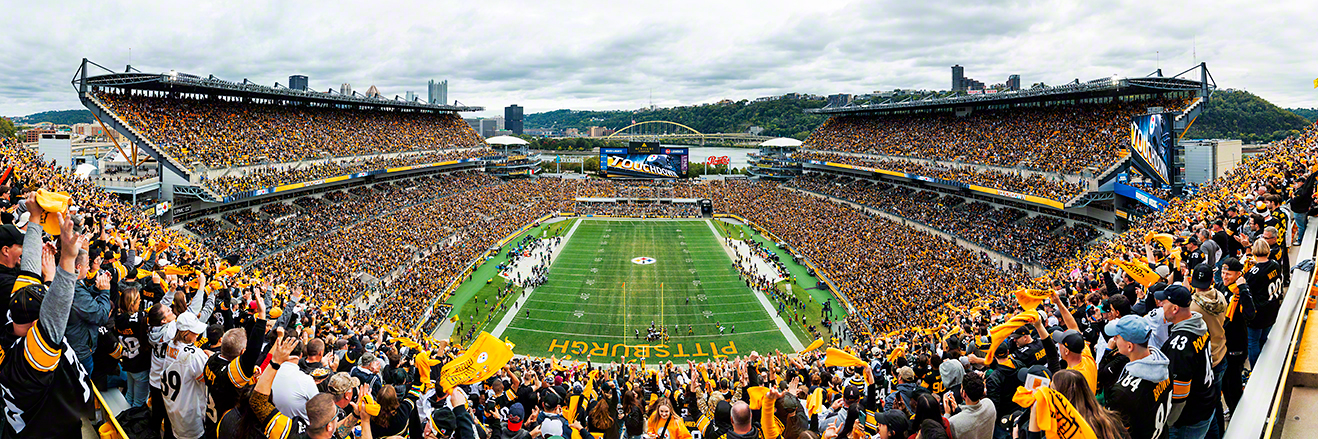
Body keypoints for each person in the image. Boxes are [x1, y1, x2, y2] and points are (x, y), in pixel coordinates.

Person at [0, 204, 95, 437]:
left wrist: (34, 218)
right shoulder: (28, 361)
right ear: (36, 324)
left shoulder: (15, 316)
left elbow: (30, 269)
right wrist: (68, 260)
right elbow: (54, 316)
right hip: (48, 431)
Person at [1102, 315, 1171, 439]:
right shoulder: (1163, 365)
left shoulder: (1122, 392)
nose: (1114, 339)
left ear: (1129, 346)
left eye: (1117, 337)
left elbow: (1115, 433)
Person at [1245, 238, 1285, 366]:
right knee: (1264, 339)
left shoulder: (1253, 273)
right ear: (1268, 251)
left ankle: (1255, 368)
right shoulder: (1275, 264)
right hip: (1273, 307)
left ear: (1254, 252)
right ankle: (1263, 365)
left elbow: (1247, 290)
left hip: (1258, 312)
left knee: (1253, 342)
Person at [945, 372, 994, 439]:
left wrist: (947, 414)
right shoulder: (989, 404)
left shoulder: (953, 422)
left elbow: (944, 433)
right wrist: (959, 410)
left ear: (964, 393)